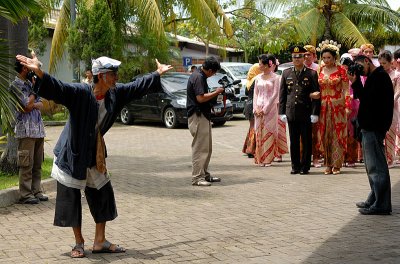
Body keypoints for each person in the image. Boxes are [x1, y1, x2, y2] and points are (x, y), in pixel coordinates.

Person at [16, 54, 173, 257]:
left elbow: (136, 86)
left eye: (116, 73)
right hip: (72, 152)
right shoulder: (81, 93)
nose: (116, 77)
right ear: (100, 76)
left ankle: (100, 241)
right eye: (112, 74)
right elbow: (59, 88)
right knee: (71, 197)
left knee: (102, 193)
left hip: (94, 152)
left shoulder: (115, 93)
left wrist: (156, 73)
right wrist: (39, 72)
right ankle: (79, 242)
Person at [348, 55, 394, 215]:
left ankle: (381, 204)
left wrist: (357, 84)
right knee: (371, 166)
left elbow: (370, 101)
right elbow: (365, 99)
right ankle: (374, 198)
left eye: (360, 67)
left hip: (374, 128)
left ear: (367, 61)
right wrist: (356, 83)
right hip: (369, 127)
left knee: (376, 167)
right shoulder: (374, 77)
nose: (360, 71)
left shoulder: (380, 77)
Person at [279, 45, 320, 174]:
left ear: (304, 58)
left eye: (300, 56)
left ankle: (305, 166)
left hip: (306, 111)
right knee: (294, 141)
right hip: (291, 111)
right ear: (292, 58)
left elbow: (316, 94)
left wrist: (315, 113)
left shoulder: (311, 73)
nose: (297, 59)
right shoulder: (286, 73)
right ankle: (295, 166)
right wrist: (281, 112)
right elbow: (283, 94)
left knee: (307, 141)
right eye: (294, 57)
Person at [10, 60, 47, 204]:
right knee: (26, 164)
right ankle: (25, 194)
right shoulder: (15, 85)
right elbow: (25, 107)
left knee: (37, 164)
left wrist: (33, 102)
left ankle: (36, 191)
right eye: (30, 67)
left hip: (38, 129)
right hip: (25, 131)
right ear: (24, 68)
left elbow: (42, 104)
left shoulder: (31, 83)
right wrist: (33, 96)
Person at [187, 56, 224, 186]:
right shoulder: (198, 77)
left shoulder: (200, 76)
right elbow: (200, 98)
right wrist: (216, 92)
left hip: (204, 116)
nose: (213, 74)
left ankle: (205, 174)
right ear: (209, 69)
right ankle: (197, 178)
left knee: (207, 148)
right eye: (213, 72)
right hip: (198, 116)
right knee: (200, 148)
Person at [317, 42, 349, 175]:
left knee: (337, 134)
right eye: (324, 58)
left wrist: (347, 106)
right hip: (323, 107)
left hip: (338, 107)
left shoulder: (342, 70)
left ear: (334, 58)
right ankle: (327, 164)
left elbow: (346, 90)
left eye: (328, 58)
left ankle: (337, 164)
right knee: (325, 135)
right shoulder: (319, 70)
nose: (326, 60)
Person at [253, 54, 288, 166]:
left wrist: (266, 108)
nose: (259, 66)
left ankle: (268, 158)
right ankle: (260, 158)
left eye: (260, 64)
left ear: (268, 65)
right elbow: (255, 94)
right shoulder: (258, 78)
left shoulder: (276, 77)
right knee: (259, 131)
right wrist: (255, 108)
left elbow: (275, 94)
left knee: (269, 131)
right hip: (258, 107)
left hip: (271, 108)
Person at [378, 50, 400, 167]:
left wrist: (391, 101)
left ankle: (390, 159)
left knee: (390, 133)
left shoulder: (396, 75)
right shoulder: (378, 74)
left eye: (384, 63)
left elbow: (398, 91)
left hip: (392, 108)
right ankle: (381, 158)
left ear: (391, 62)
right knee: (380, 134)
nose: (382, 66)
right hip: (378, 108)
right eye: (380, 63)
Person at [304, 44, 321, 168]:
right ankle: (303, 158)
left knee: (315, 133)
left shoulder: (318, 68)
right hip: (302, 105)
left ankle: (316, 158)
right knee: (301, 134)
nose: (306, 57)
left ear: (314, 56)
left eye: (309, 54)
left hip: (315, 104)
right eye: (304, 54)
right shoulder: (300, 67)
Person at [242, 63, 261, 158]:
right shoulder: (257, 80)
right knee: (254, 127)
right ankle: (251, 149)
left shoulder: (249, 81)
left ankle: (248, 148)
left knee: (251, 127)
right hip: (254, 105)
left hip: (248, 105)